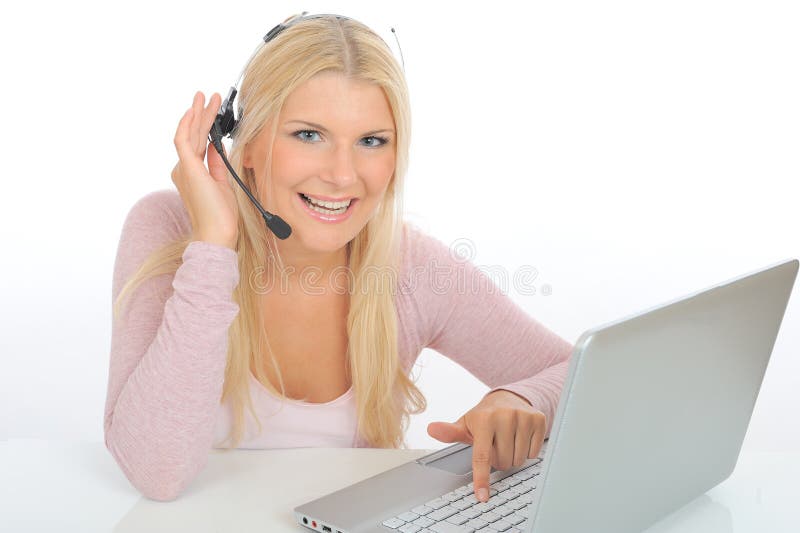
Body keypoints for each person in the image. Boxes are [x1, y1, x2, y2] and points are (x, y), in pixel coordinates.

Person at [104, 13, 573, 504]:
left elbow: (579, 373)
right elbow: (156, 473)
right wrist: (213, 248)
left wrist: (519, 396)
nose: (344, 175)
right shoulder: (170, 231)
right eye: (309, 135)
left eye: (371, 141)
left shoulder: (409, 266)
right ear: (245, 144)